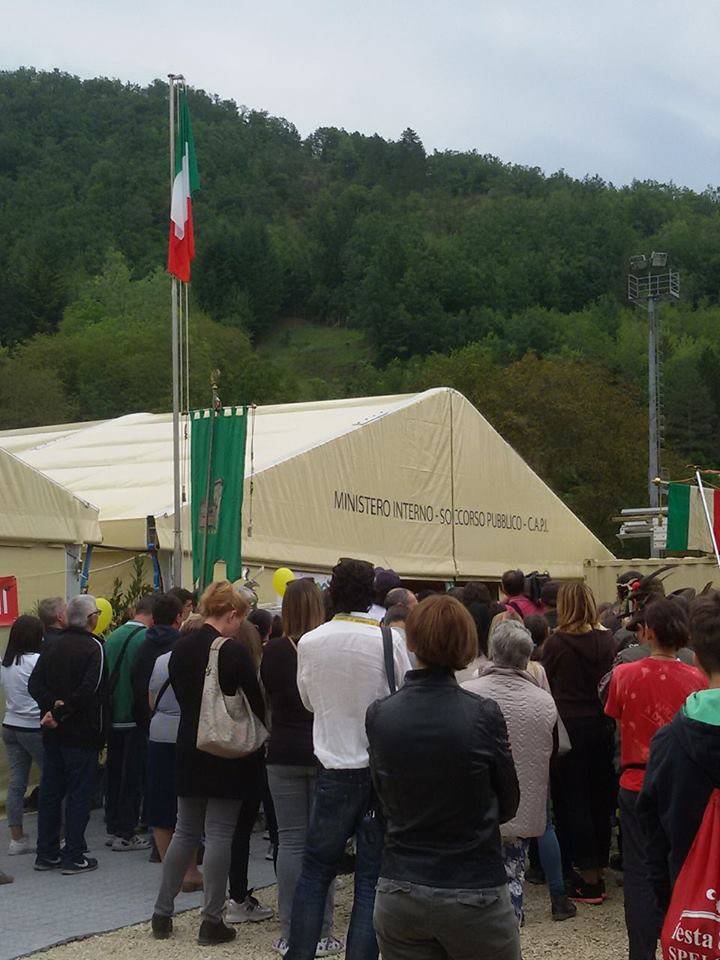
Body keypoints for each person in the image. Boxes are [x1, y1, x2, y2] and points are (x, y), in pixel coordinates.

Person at [367, 595, 521, 960]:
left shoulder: (381, 714)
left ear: (412, 641)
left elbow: (381, 793)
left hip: (401, 885)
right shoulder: (482, 714)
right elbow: (508, 799)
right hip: (472, 886)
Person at [285, 557, 413, 960]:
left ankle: (300, 952)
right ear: (371, 593)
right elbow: (403, 696)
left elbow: (307, 700)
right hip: (377, 771)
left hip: (333, 768)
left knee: (316, 872)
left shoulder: (311, 641)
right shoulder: (388, 640)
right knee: (370, 879)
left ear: (332, 593)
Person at [152, 581, 266, 946]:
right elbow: (256, 701)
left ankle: (162, 911)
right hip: (224, 749)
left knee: (185, 830)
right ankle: (211, 919)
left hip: (189, 743)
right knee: (219, 833)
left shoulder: (181, 646)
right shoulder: (232, 651)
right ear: (232, 614)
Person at [604, 598, 704, 960]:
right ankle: (684, 943)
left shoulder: (624, 675)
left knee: (640, 873)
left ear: (647, 631)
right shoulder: (698, 677)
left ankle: (641, 952)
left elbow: (619, 727)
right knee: (684, 868)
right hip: (683, 786)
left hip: (636, 781)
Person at [465, 620, 576, 923]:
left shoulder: (467, 693)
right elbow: (552, 750)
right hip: (524, 803)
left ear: (491, 652)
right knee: (515, 867)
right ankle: (513, 918)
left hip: (477, 808)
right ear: (526, 657)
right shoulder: (544, 701)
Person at [261, 578, 343, 957]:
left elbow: (269, 698)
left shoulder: (273, 651)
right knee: (322, 843)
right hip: (322, 750)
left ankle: (290, 930)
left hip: (281, 751)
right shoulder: (327, 645)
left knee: (291, 842)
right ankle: (321, 930)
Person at [637, 592, 720, 923]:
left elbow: (653, 838)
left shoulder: (668, 741)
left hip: (693, 911)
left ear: (696, 659)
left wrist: (668, 902)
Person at [542, 581, 616, 903]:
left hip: (569, 726)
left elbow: (548, 682)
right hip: (603, 723)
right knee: (601, 797)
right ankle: (599, 865)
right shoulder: (608, 640)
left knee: (574, 800)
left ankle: (588, 878)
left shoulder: (556, 643)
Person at [28, 594, 107, 875]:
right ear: (90, 619)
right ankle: (74, 853)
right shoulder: (94, 647)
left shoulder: (52, 645)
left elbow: (34, 684)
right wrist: (60, 710)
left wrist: (51, 708)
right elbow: (91, 689)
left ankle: (46, 852)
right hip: (82, 732)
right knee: (78, 794)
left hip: (53, 732)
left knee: (51, 791)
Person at [146, 608, 203, 893]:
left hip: (159, 733)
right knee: (188, 807)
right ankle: (190, 871)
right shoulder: (205, 661)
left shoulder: (160, 661)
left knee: (160, 805)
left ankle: (171, 871)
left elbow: (151, 701)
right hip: (190, 735)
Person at [103, 595, 154, 851]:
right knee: (132, 777)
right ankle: (126, 832)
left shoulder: (112, 637)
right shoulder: (146, 640)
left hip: (113, 715)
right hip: (134, 717)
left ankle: (112, 827)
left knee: (113, 774)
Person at [1, 615, 44, 855]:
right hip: (33, 726)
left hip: (10, 725)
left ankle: (16, 839)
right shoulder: (38, 660)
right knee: (53, 778)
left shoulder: (6, 662)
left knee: (17, 782)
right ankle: (55, 833)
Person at [131, 592, 185, 733]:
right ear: (178, 618)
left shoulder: (143, 647)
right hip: (178, 724)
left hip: (148, 723)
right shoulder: (183, 648)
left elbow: (136, 683)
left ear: (153, 619)